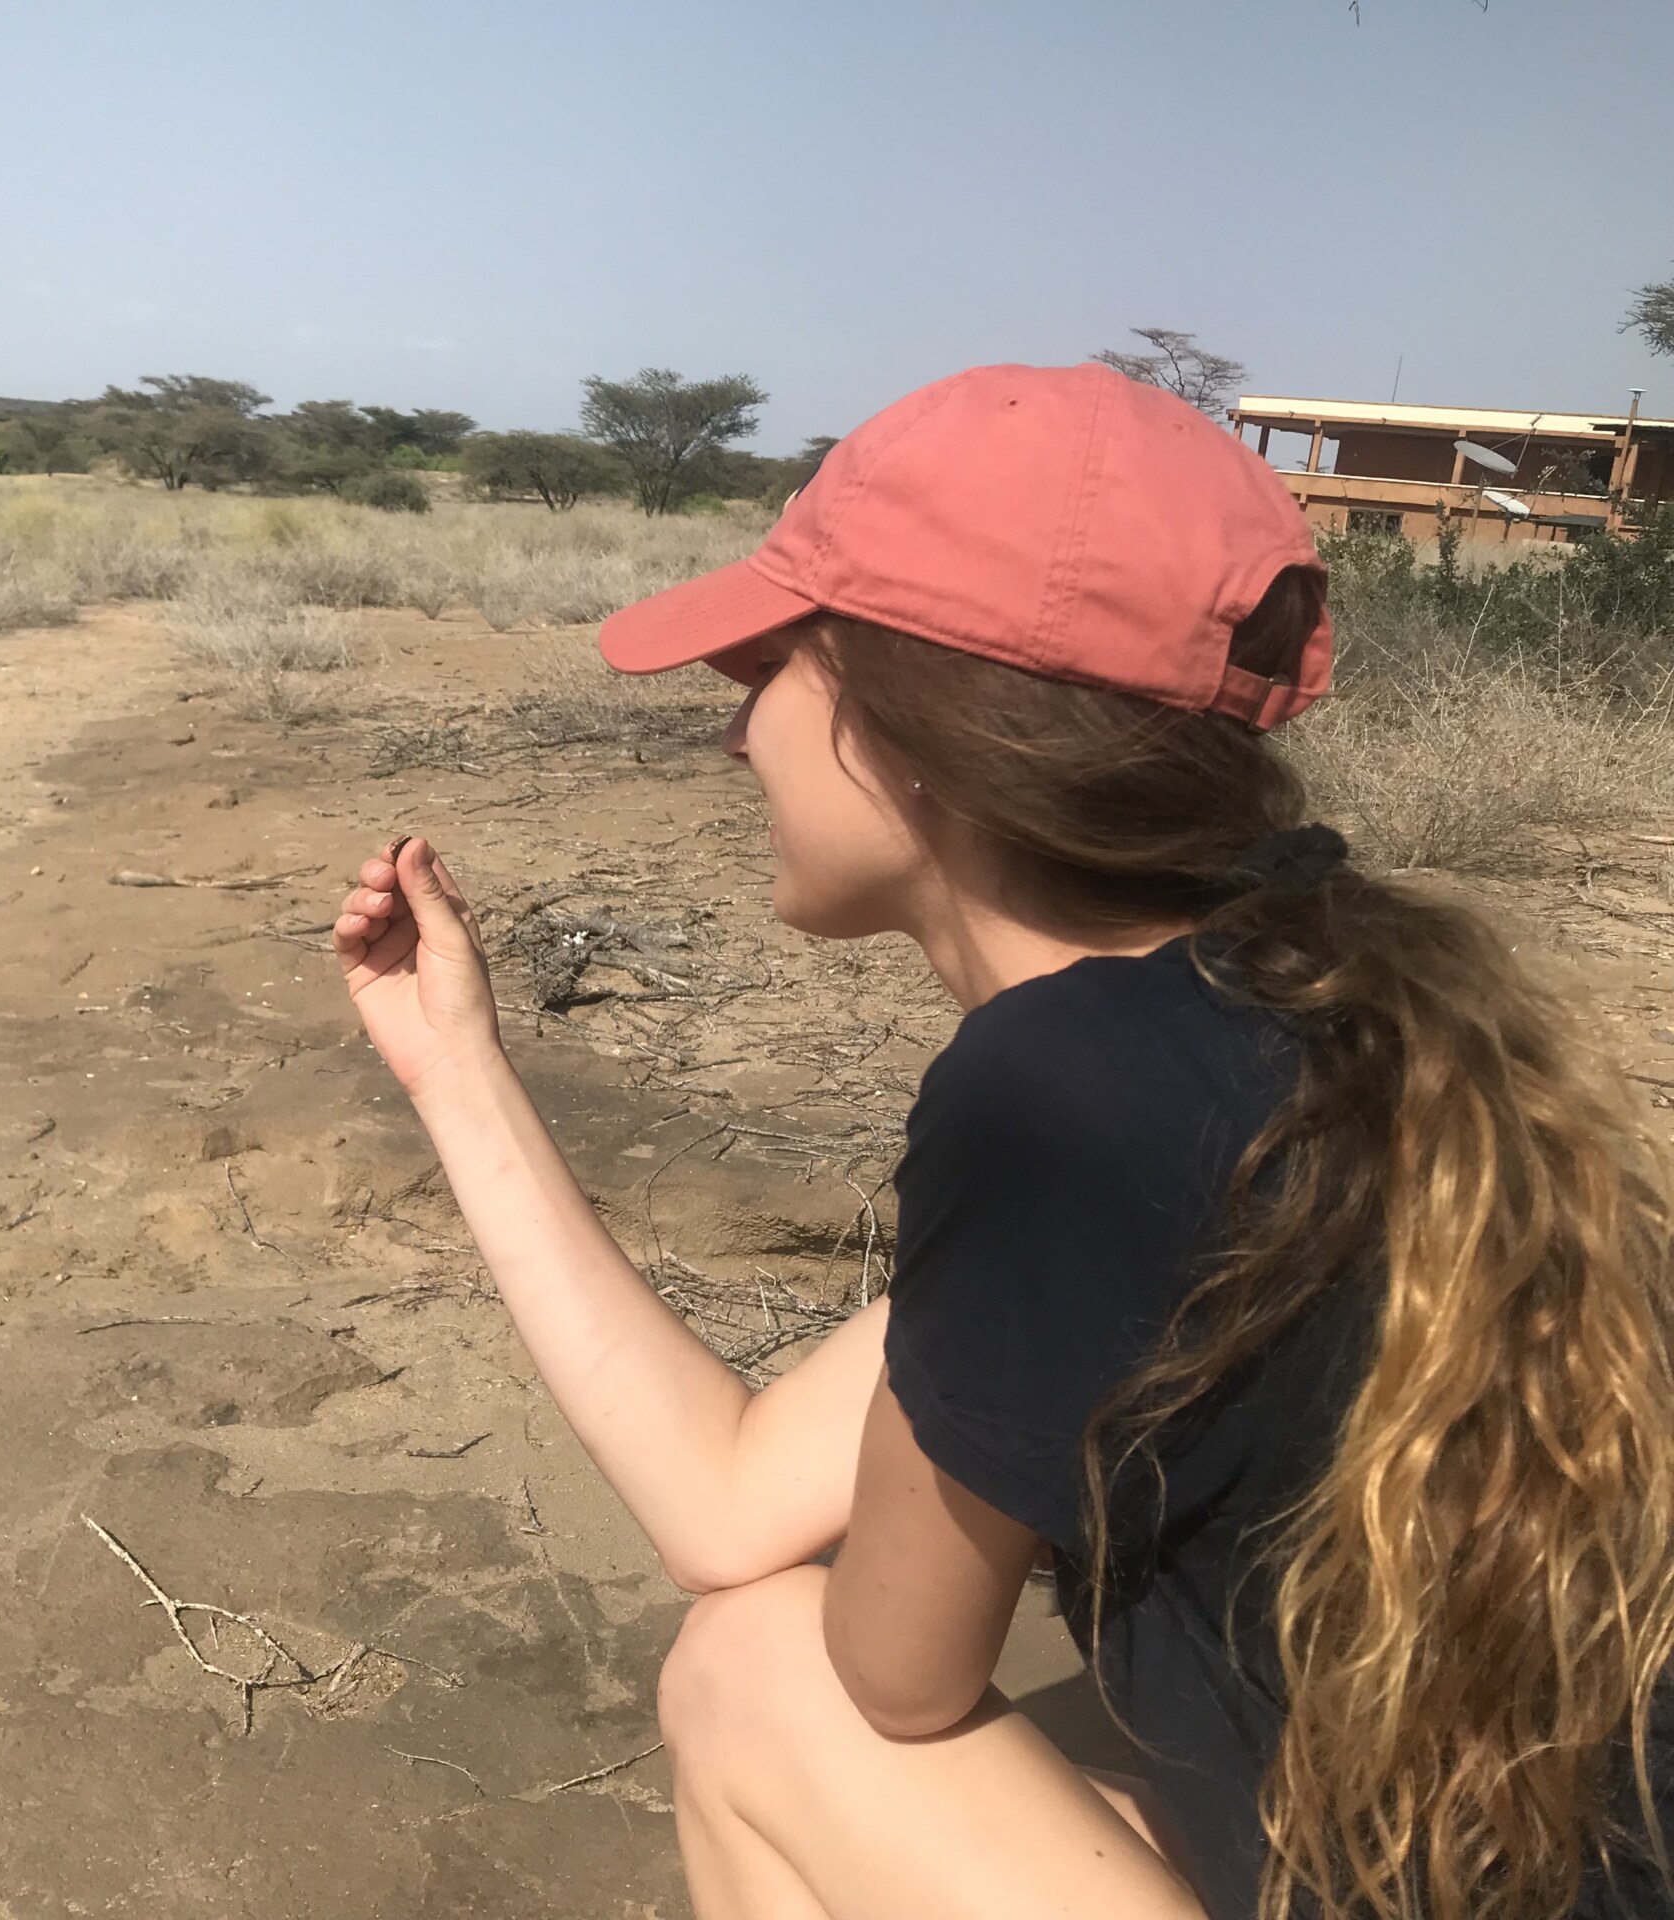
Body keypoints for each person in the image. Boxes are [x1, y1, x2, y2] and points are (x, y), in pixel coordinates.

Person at [330, 364, 1674, 1920]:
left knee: (759, 1676)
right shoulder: (1316, 1018)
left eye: (771, 663)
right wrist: (454, 1067)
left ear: (924, 718)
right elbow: (728, 1495)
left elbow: (891, 1677)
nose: (737, 731)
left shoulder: (1056, 1091)